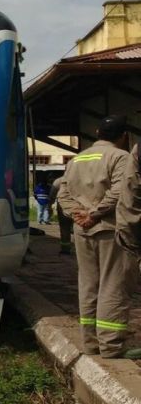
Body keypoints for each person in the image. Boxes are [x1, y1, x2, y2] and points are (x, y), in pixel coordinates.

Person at [57, 115, 141, 359]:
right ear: (124, 136)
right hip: (110, 229)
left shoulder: (77, 159)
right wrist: (94, 214)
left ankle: (91, 343)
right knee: (113, 286)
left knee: (89, 284)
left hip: (82, 231)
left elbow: (63, 193)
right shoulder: (121, 157)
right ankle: (112, 346)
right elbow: (121, 191)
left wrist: (79, 216)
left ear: (96, 132)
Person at [50, 177, 73, 255]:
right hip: (78, 208)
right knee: (79, 228)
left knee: (64, 229)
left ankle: (65, 249)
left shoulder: (59, 181)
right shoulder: (80, 179)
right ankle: (80, 249)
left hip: (63, 208)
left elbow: (52, 194)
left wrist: (50, 205)